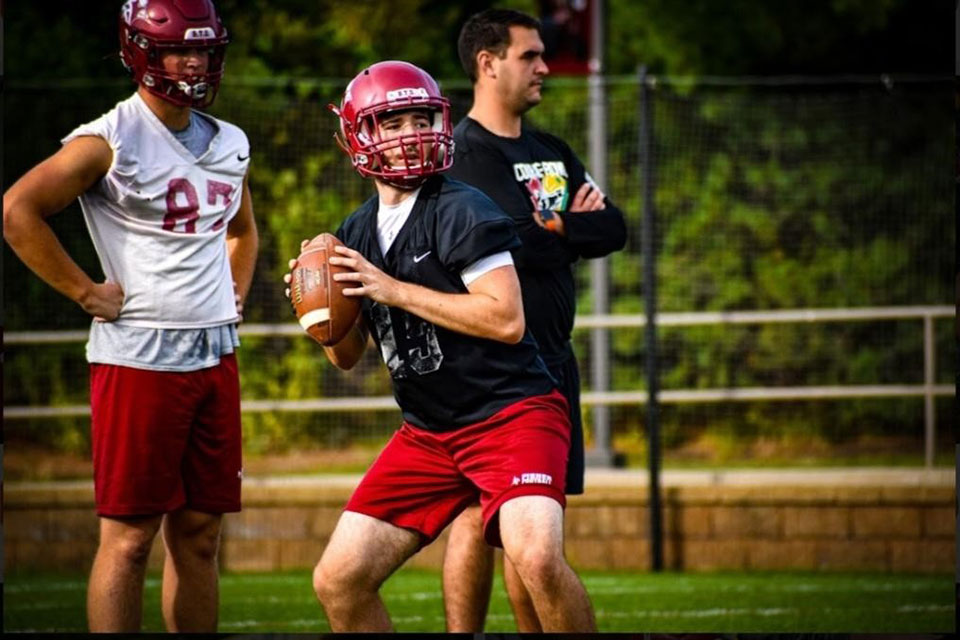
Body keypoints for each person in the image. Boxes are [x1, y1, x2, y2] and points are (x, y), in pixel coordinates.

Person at [285, 60, 595, 633]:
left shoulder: (461, 208)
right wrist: (322, 314)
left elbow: (505, 319)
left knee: (536, 557)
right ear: (356, 137)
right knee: (339, 579)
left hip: (512, 416)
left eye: (420, 117)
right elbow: (348, 356)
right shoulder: (354, 232)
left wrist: (391, 289)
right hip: (429, 434)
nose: (410, 135)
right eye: (393, 122)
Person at [2, 0, 257, 632]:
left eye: (205, 49)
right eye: (181, 50)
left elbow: (243, 232)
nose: (196, 62)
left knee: (200, 535)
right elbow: (17, 211)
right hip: (140, 361)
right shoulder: (108, 139)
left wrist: (233, 294)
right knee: (129, 538)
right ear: (141, 52)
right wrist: (84, 292)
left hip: (214, 357)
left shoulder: (229, 141)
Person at [441, 8, 627, 633]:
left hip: (556, 361)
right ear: (488, 64)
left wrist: (561, 228)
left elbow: (615, 227)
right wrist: (562, 228)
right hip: (492, 366)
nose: (546, 67)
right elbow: (508, 241)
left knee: (536, 527)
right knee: (475, 516)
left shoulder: (552, 151)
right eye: (531, 56)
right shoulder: (463, 157)